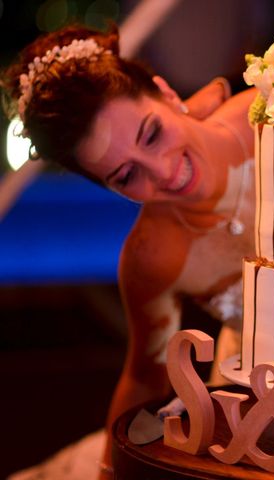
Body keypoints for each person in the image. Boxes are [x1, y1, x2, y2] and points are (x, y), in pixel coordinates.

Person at [1, 24, 256, 478]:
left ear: (164, 92)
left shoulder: (270, 119)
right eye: (125, 175)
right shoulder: (152, 257)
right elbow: (143, 378)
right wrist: (110, 471)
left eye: (152, 133)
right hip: (255, 413)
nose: (162, 173)